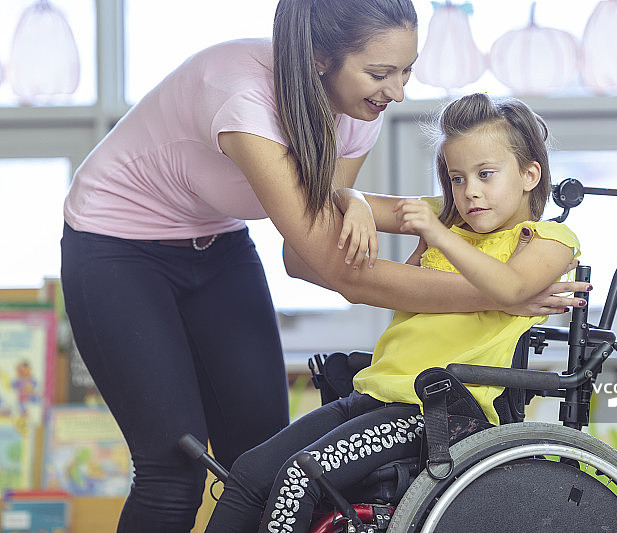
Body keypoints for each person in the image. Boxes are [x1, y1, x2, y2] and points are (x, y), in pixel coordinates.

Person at [59, 1, 589, 531]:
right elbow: (338, 269)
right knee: (174, 467)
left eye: (407, 71)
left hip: (216, 241)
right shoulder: (245, 99)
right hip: (117, 244)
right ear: (319, 59)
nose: (398, 92)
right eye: (381, 73)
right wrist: (503, 294)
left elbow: (308, 247)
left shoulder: (360, 112)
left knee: (260, 455)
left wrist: (352, 198)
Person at [203, 92, 580, 533]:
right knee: (249, 472)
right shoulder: (449, 217)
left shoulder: (550, 238)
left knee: (301, 476)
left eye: (485, 174)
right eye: (457, 178)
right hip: (374, 393)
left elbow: (511, 286)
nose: (469, 191)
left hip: (437, 414)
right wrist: (359, 205)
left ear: (530, 174)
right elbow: (340, 194)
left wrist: (436, 235)